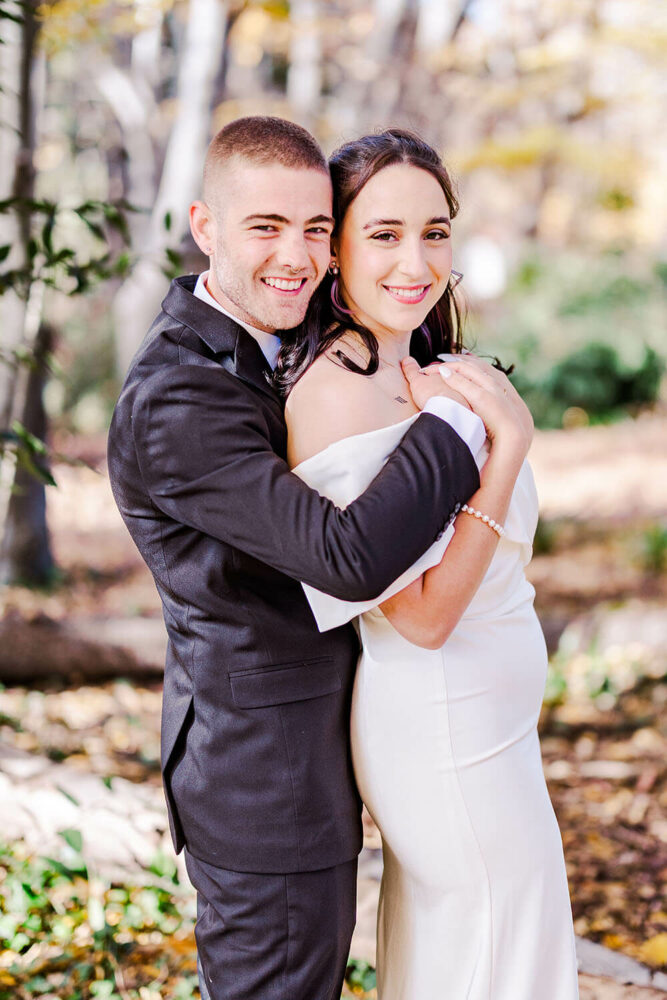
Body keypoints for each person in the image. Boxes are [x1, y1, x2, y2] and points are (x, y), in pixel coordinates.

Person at [106, 116, 488, 1000]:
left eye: (316, 228)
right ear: (204, 226)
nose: (298, 254)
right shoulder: (177, 398)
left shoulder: (282, 344)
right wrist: (462, 424)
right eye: (265, 227)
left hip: (339, 757)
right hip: (264, 784)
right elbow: (344, 557)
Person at [283, 129, 579, 1000]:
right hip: (441, 723)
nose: (417, 260)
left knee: (474, 958)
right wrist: (508, 447)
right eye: (382, 234)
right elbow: (418, 613)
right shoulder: (334, 391)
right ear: (332, 247)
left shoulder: (425, 368)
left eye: (435, 231)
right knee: (500, 956)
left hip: (490, 727)